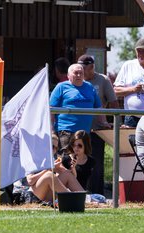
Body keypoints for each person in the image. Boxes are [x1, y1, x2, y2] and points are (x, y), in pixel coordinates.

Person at [77, 54, 119, 194]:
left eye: (85, 68)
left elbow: (113, 102)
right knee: (77, 161)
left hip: (97, 130)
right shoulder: (76, 80)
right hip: (78, 130)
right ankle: (78, 192)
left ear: (92, 67)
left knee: (96, 164)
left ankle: (97, 195)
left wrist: (114, 121)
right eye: (80, 68)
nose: (82, 72)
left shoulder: (102, 80)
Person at [50, 63, 101, 152]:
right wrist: (52, 131)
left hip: (85, 133)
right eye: (75, 73)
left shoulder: (89, 87)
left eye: (81, 73)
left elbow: (99, 107)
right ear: (68, 75)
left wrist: (104, 122)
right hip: (66, 131)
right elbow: (51, 110)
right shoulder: (61, 87)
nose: (78, 75)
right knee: (66, 160)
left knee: (83, 161)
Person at [26, 134, 84, 202]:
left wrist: (73, 167)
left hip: (46, 194)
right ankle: (72, 200)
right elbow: (30, 181)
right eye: (53, 146)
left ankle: (85, 199)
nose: (54, 150)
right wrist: (49, 168)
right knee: (49, 175)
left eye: (56, 148)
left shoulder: (52, 159)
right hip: (32, 195)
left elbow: (71, 176)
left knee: (66, 174)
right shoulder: (33, 158)